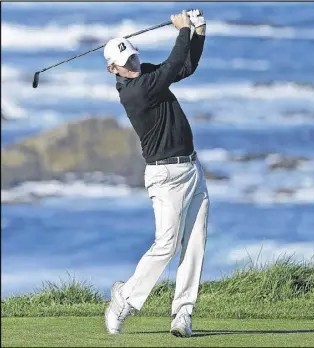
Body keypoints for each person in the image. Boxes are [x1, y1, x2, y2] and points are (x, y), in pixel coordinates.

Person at [103, 9, 208, 338]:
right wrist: (182, 30)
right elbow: (174, 64)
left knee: (194, 243)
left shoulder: (146, 75)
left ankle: (183, 315)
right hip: (166, 177)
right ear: (113, 69)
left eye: (134, 58)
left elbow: (184, 67)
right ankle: (125, 300)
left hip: (192, 170)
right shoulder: (135, 92)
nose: (133, 65)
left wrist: (199, 31)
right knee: (166, 245)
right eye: (126, 62)